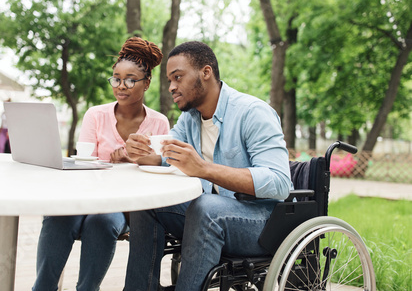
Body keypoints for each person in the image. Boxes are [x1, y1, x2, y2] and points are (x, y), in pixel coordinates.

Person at [123, 41, 292, 291]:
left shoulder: (253, 112)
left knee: (206, 206)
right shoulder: (190, 118)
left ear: (206, 72)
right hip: (211, 215)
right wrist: (141, 153)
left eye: (178, 77)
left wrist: (203, 169)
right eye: (170, 80)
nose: (171, 87)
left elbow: (279, 183)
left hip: (262, 221)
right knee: (146, 201)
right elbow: (165, 156)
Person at [32, 37, 170, 291]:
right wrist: (111, 160)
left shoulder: (159, 123)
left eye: (130, 79)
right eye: (116, 78)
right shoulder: (96, 115)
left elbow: (158, 173)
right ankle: (42, 288)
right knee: (58, 216)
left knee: (102, 221)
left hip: (124, 206)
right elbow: (83, 165)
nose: (121, 85)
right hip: (86, 197)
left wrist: (135, 159)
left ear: (146, 83)